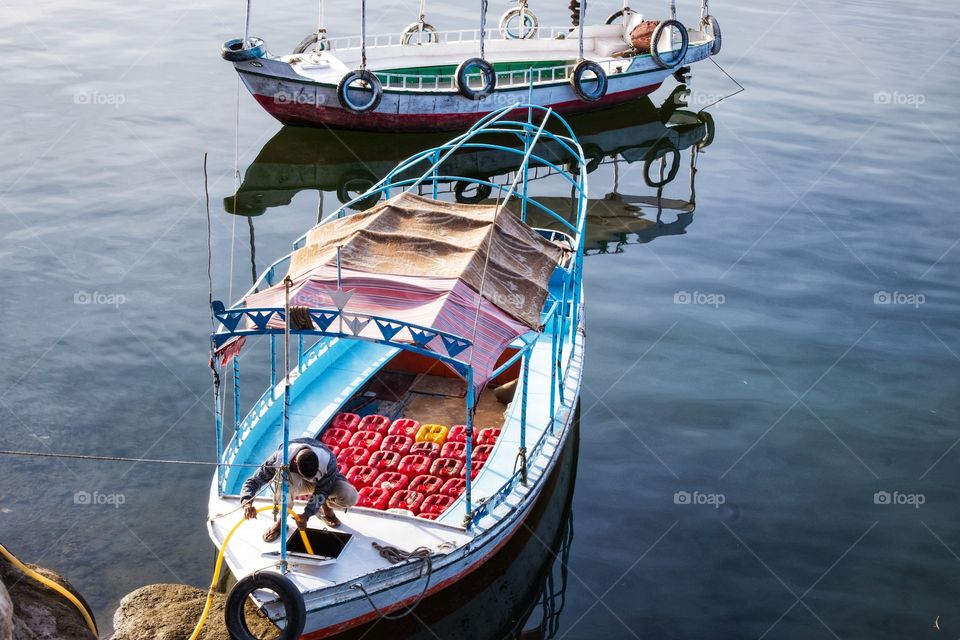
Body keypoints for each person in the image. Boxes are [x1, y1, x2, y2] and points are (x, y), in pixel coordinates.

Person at [240, 437, 358, 542]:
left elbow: (322, 490)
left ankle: (325, 508)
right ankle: (281, 521)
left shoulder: (328, 460)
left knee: (349, 496)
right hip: (295, 482)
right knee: (282, 482)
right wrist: (247, 502)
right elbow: (253, 481)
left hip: (322, 483)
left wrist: (307, 514)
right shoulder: (279, 457)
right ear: (295, 463)